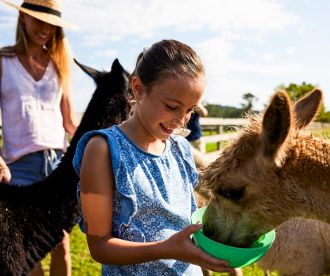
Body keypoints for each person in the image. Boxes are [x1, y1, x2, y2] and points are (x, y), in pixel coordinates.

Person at [73, 39, 234, 275]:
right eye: (172, 106)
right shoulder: (102, 150)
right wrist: (165, 249)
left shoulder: (181, 149)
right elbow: (99, 246)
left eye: (190, 110)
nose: (181, 120)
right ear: (137, 88)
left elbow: (183, 223)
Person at [0, 0, 77, 275]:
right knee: (29, 251)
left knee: (62, 243)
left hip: (57, 165)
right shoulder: (3, 61)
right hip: (18, 166)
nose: (45, 28)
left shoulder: (59, 66)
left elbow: (70, 122)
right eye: (38, 20)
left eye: (51, 23)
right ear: (23, 19)